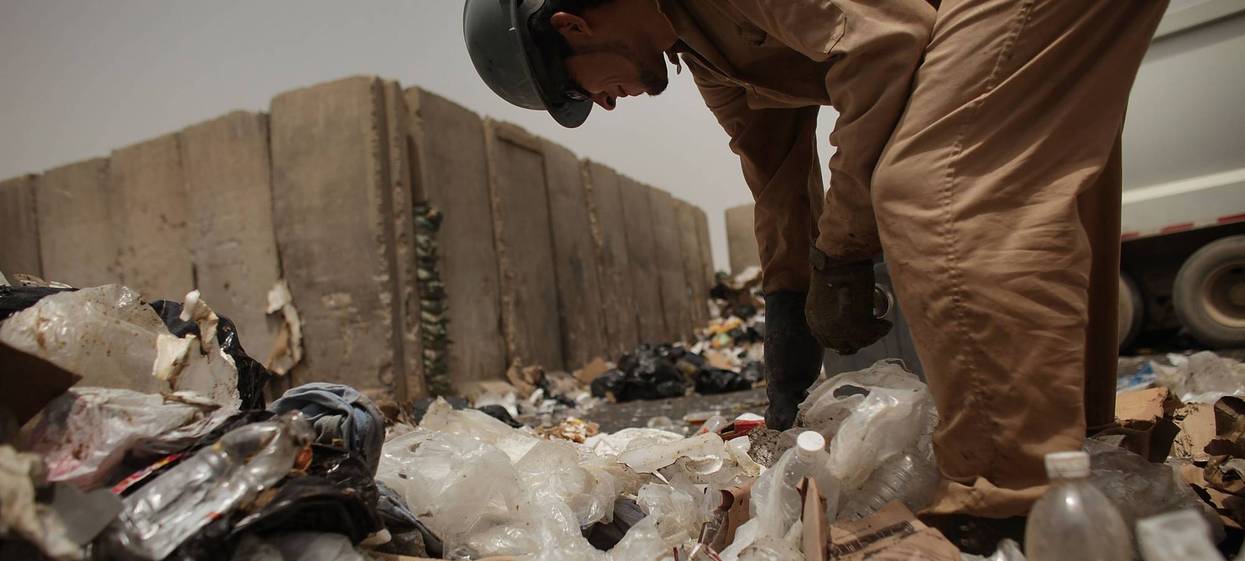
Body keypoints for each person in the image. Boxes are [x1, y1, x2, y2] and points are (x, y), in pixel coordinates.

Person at [464, 0, 1169, 505]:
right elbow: (776, 182)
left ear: (572, 24)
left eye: (580, 90)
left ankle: (1015, 499)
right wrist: (787, 372)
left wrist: (845, 246)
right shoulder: (705, 49)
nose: (607, 105)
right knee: (1024, 178)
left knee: (933, 188)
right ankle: (1083, 450)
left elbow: (885, 40)